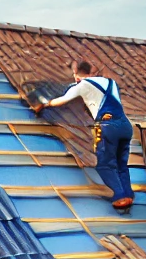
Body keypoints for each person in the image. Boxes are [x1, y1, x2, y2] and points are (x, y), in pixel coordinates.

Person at [35, 60, 135, 210]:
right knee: (121, 163)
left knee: (104, 165)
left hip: (108, 125)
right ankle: (128, 194)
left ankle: (120, 196)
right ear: (91, 72)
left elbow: (62, 100)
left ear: (76, 75)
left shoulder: (82, 85)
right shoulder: (110, 82)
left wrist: (45, 104)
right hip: (125, 126)